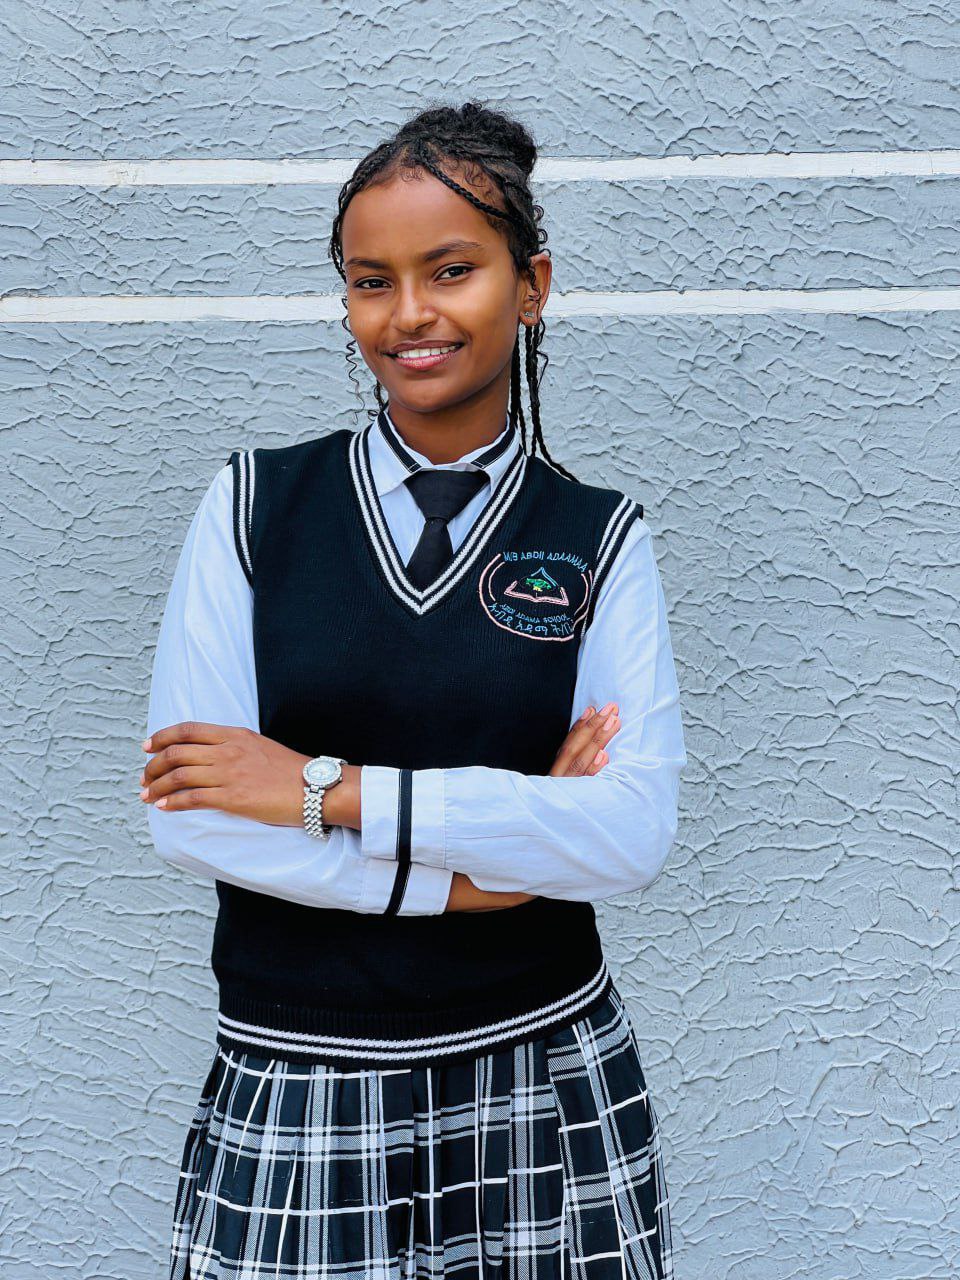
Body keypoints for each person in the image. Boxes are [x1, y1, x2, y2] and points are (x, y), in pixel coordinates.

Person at [141, 99, 687, 1280]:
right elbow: (188, 815)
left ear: (531, 283)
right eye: (370, 281)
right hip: (298, 1073)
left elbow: (628, 833)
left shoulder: (598, 538)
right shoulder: (254, 507)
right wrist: (486, 875)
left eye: (452, 270)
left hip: (540, 1075)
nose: (410, 315)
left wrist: (322, 790)